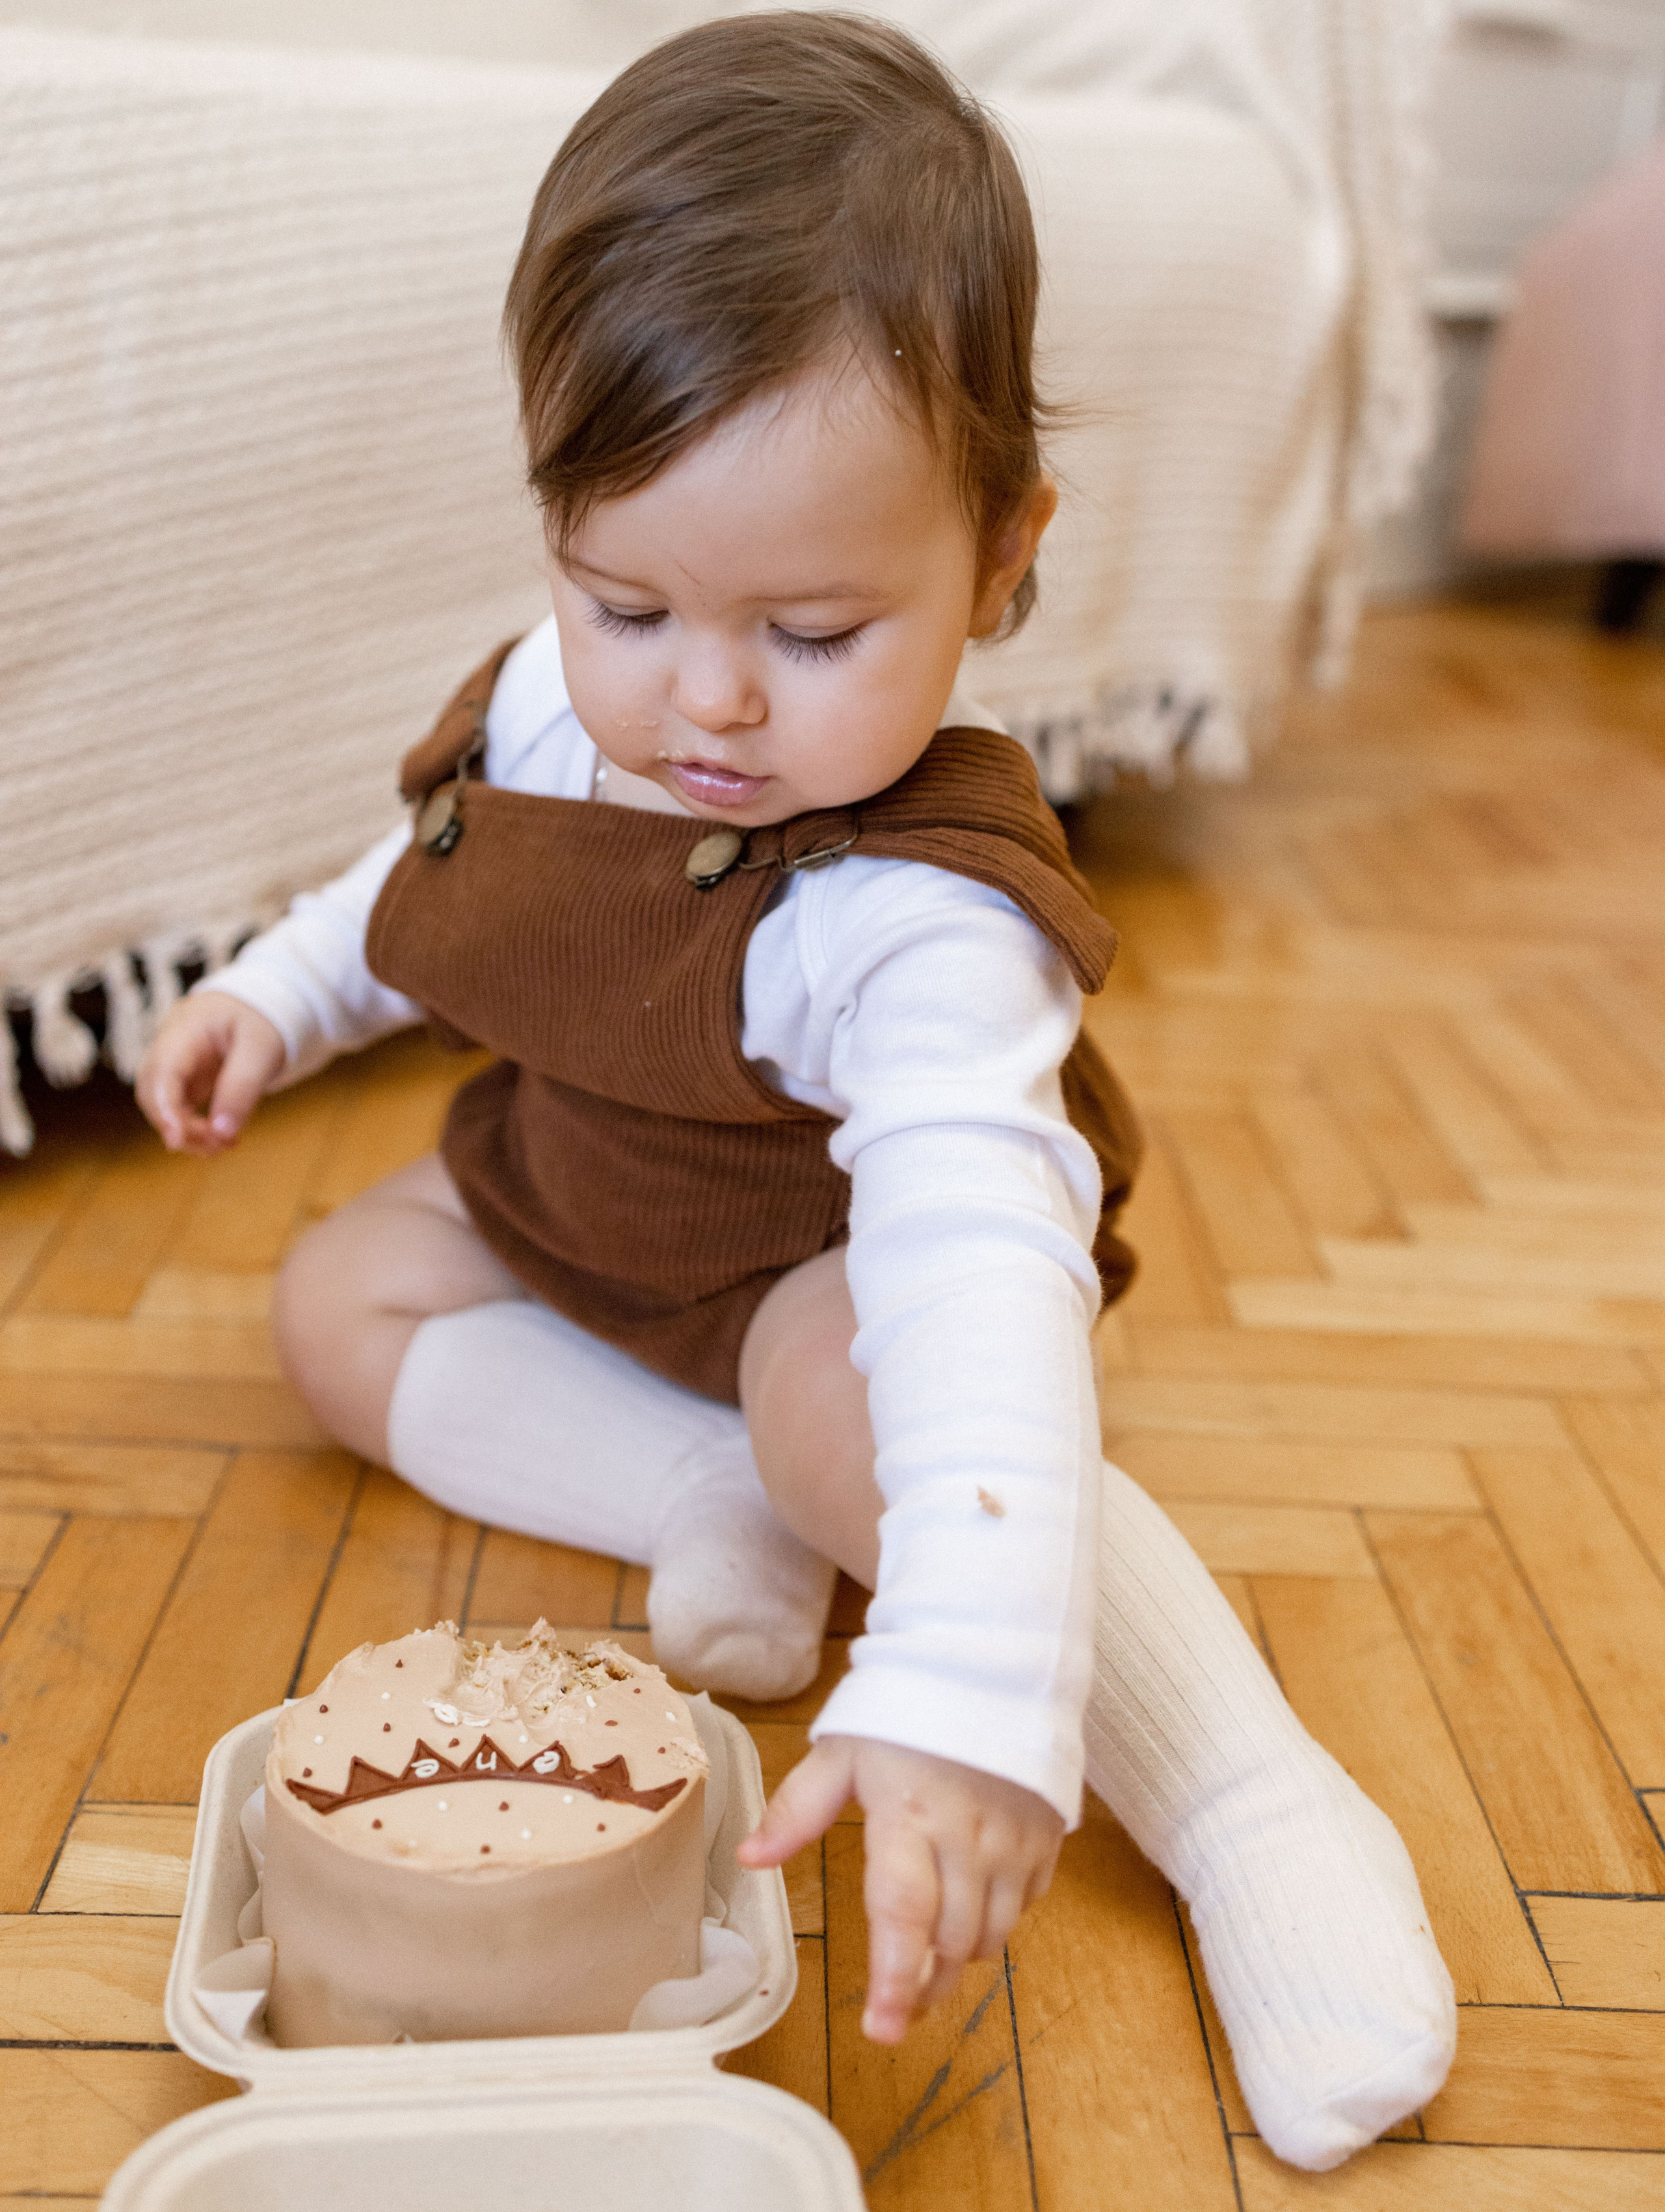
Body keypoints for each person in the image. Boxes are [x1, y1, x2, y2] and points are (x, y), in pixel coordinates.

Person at [135, 13, 1454, 2169]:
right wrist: (279, 996)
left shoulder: (920, 915)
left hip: (806, 1268)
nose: (706, 700)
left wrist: (958, 1693)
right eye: (622, 597)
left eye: (819, 631)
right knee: (328, 1306)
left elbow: (975, 1270)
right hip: (571, 1193)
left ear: (1002, 557)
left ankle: (1244, 1797)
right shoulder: (588, 698)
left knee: (886, 1425)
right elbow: (437, 862)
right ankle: (691, 1500)